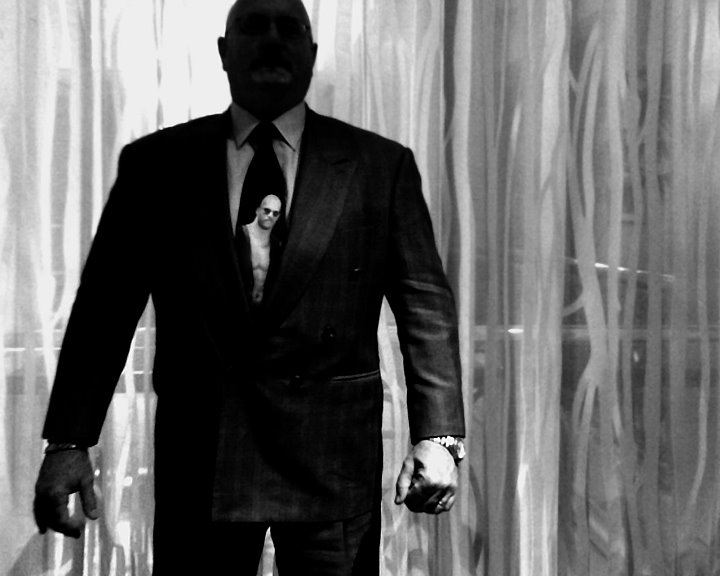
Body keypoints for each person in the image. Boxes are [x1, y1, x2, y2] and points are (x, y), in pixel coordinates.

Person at [33, 0, 466, 574]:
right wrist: (68, 442)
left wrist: (439, 437)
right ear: (224, 50)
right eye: (253, 26)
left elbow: (425, 308)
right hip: (204, 459)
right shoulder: (157, 166)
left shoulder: (379, 166)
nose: (272, 39)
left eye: (289, 28)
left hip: (331, 458)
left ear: (311, 53)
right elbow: (104, 311)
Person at [240, 194, 283, 304]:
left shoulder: (276, 245)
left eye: (275, 213)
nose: (270, 215)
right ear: (258, 210)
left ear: (278, 217)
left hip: (262, 307)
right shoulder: (241, 235)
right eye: (267, 210)